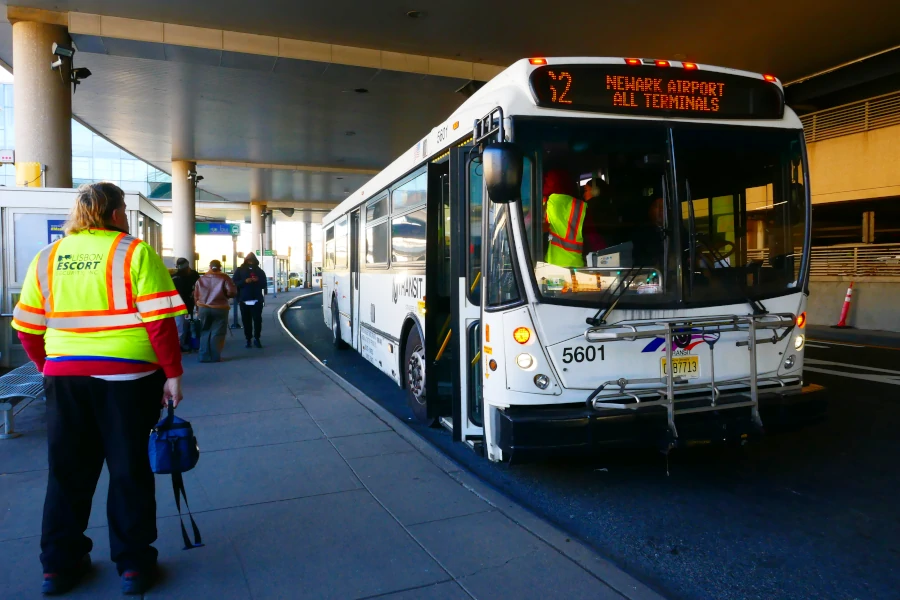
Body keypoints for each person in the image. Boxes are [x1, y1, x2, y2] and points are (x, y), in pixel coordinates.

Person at [11, 182, 186, 595]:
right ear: (115, 214)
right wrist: (173, 373)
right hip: (128, 380)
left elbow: (26, 328)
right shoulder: (133, 251)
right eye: (123, 210)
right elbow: (160, 322)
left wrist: (48, 366)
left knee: (67, 471)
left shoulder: (47, 257)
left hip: (64, 378)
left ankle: (58, 565)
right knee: (128, 469)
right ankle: (133, 566)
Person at [193, 259, 237, 362]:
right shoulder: (225, 277)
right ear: (220, 267)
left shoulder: (201, 279)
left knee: (204, 331)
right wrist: (225, 295)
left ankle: (203, 356)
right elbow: (232, 292)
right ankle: (215, 356)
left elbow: (196, 295)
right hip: (220, 308)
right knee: (218, 332)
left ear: (209, 267)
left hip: (203, 307)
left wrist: (197, 309)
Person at [542, 169, 587, 268]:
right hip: (576, 264)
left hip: (553, 264)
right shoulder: (581, 205)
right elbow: (590, 235)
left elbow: (535, 228)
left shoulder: (547, 202)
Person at [232, 252, 267, 348]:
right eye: (249, 261)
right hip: (244, 300)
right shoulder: (240, 270)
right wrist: (245, 281)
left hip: (256, 300)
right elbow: (234, 283)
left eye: (252, 261)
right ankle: (248, 339)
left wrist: (257, 280)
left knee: (257, 320)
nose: (251, 263)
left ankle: (256, 338)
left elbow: (264, 285)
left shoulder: (259, 271)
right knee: (246, 321)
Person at [171, 258, 200, 352]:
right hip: (183, 304)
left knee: (181, 325)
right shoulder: (193, 275)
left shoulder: (175, 277)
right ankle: (182, 344)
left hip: (181, 304)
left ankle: (183, 343)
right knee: (181, 325)